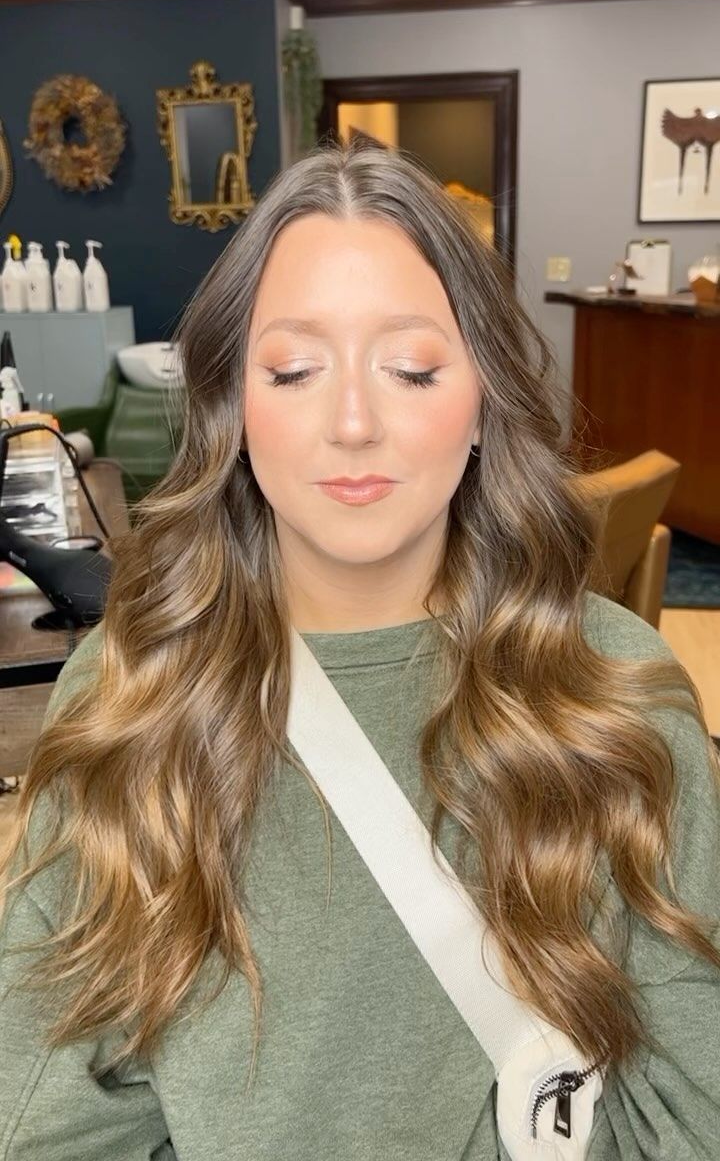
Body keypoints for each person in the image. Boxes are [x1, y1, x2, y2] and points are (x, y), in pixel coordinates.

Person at [1, 140, 719, 1161]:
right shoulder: (129, 697)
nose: (351, 422)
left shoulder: (619, 699)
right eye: (293, 368)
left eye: (411, 368)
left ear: (481, 400)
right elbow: (51, 1116)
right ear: (232, 406)